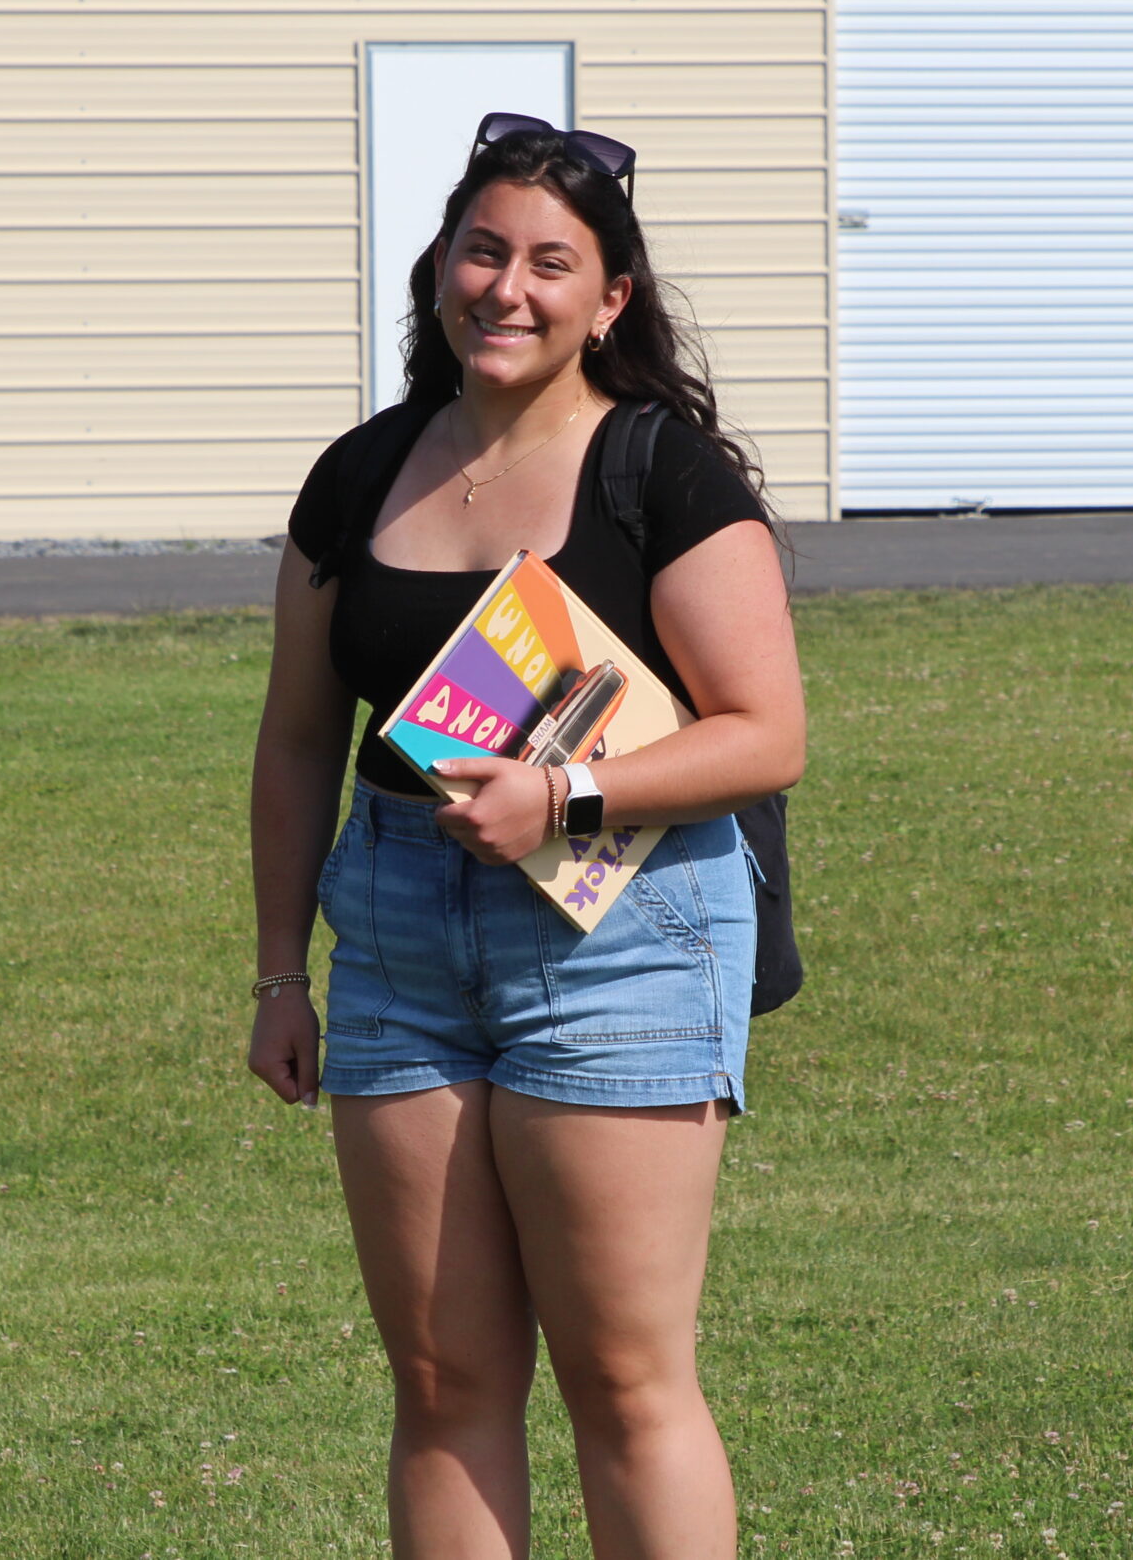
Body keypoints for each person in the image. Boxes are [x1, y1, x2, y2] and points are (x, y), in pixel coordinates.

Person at [247, 113, 808, 1559]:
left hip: (622, 933)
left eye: (551, 263)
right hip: (394, 935)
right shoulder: (361, 473)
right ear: (439, 265)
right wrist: (274, 975)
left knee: (624, 1379)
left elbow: (764, 731)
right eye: (482, 250)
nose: (507, 287)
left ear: (609, 299)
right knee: (442, 1381)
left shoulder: (660, 474)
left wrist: (558, 797)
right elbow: (302, 736)